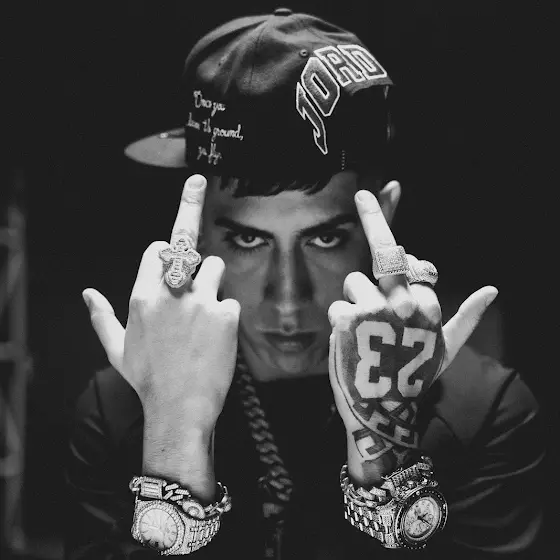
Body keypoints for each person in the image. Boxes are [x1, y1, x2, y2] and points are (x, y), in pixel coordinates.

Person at [65, 8, 545, 560]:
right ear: (192, 234)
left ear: (383, 219)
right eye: (248, 240)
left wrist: (385, 449)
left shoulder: (484, 411)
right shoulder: (119, 410)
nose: (289, 298)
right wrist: (172, 442)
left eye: (325, 239)